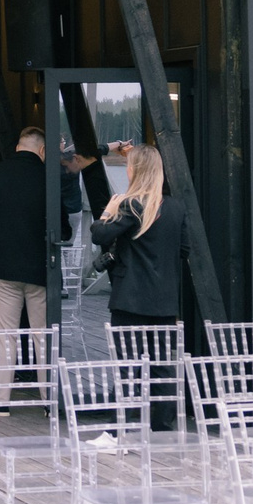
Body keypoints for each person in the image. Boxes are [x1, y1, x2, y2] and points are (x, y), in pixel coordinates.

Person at [92, 142, 186, 427]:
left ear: (134, 171)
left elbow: (99, 235)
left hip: (130, 299)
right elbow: (184, 251)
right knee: (160, 366)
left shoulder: (131, 204)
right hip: (164, 301)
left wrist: (108, 211)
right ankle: (162, 425)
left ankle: (120, 425)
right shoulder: (175, 207)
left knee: (127, 365)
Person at [0, 127, 53, 331]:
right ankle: (44, 365)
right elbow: (63, 228)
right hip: (39, 268)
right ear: (42, 151)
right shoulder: (48, 179)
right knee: (44, 336)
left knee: (4, 336)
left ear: (17, 148)